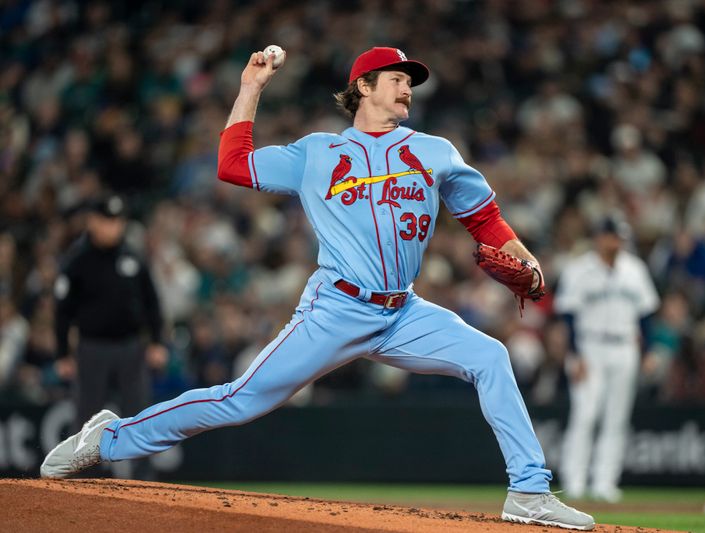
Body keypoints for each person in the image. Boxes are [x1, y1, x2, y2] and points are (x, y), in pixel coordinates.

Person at [41, 47, 593, 530]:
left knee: (491, 356)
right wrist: (250, 88)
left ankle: (529, 492)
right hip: (335, 308)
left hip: (404, 313)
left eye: (410, 80)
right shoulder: (316, 154)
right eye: (397, 77)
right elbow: (232, 165)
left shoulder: (435, 151)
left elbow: (486, 221)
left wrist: (531, 265)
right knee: (239, 401)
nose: (408, 87)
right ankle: (108, 439)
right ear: (363, 88)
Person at [52, 193, 168, 476]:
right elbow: (62, 310)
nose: (112, 227)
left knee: (139, 414)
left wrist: (156, 342)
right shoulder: (77, 261)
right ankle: (82, 477)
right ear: (92, 222)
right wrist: (62, 354)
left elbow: (152, 303)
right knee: (86, 416)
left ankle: (144, 478)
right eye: (106, 221)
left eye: (117, 221)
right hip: (92, 348)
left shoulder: (132, 257)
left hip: (130, 347)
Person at [554, 216, 660, 502]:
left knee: (617, 418)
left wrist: (648, 351)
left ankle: (605, 482)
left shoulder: (635, 269)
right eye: (611, 236)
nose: (615, 241)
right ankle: (574, 481)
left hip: (625, 346)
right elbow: (568, 315)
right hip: (590, 346)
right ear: (599, 238)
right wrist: (574, 355)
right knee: (585, 415)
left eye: (619, 237)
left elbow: (646, 315)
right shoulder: (578, 269)